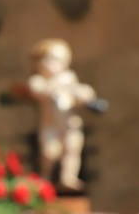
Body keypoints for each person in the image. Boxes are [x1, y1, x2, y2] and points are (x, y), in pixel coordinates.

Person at [27, 38, 99, 191]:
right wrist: (56, 86)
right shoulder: (39, 81)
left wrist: (83, 95)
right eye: (48, 59)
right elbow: (40, 91)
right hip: (50, 125)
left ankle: (68, 177)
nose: (53, 64)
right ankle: (45, 178)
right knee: (49, 153)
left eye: (58, 60)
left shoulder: (69, 78)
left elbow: (81, 93)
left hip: (70, 124)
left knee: (72, 149)